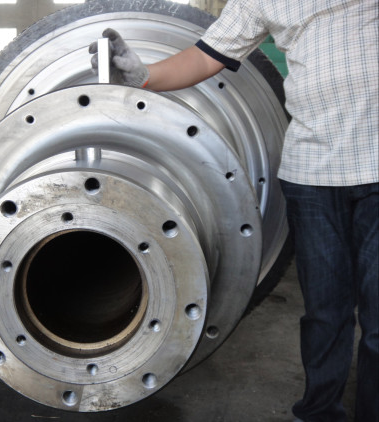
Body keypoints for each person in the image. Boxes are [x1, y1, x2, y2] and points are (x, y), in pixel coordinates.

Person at [89, 1, 378, 421]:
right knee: (325, 314)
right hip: (313, 173)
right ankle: (319, 413)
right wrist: (143, 76)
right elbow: (207, 55)